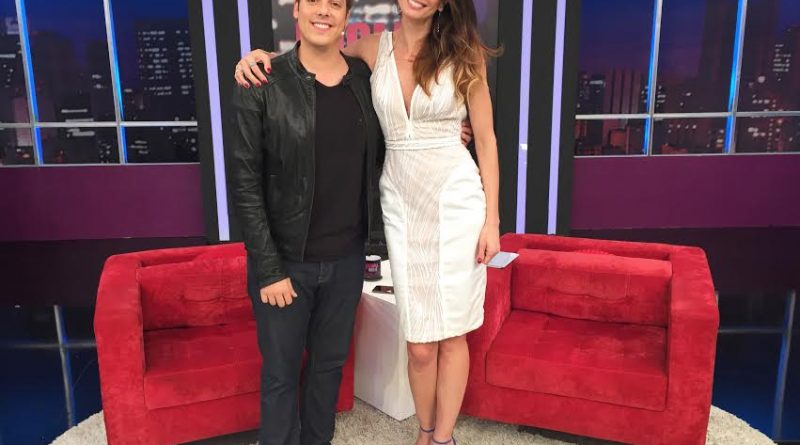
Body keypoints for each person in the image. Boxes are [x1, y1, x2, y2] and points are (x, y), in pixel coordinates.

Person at [235, 1, 499, 444]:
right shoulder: (362, 53)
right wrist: (259, 58)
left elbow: (477, 137)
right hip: (351, 230)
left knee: (435, 339)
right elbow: (315, 59)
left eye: (335, 4)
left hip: (426, 217)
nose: (324, 11)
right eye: (314, 2)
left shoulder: (437, 58)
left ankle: (437, 438)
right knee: (408, 347)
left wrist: (490, 216)